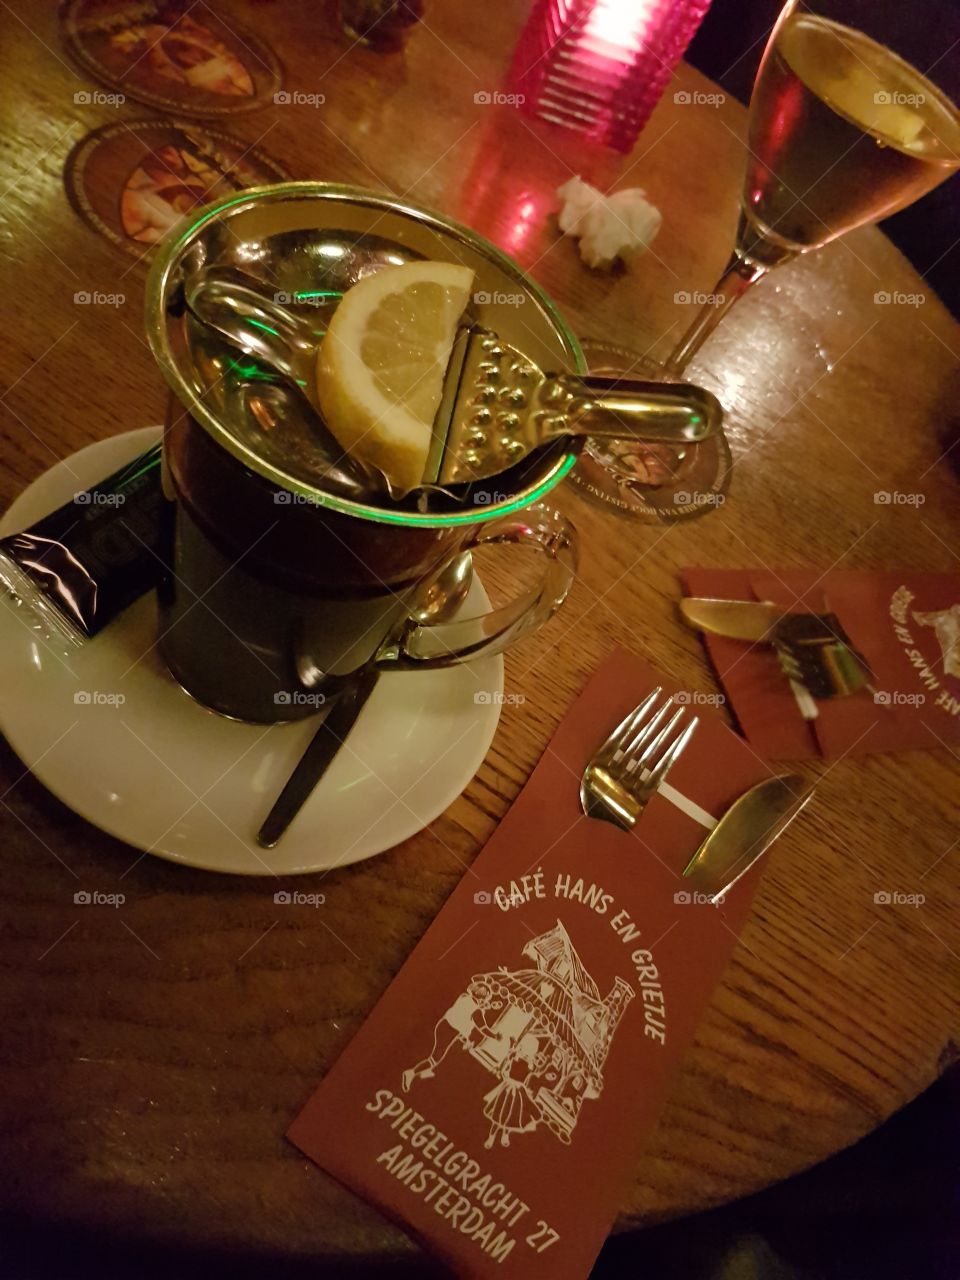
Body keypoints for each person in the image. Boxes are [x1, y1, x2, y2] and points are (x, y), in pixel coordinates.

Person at [401, 979, 498, 1093]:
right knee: (435, 1058)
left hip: (443, 1024)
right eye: (486, 998)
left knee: (437, 1054)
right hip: (450, 1031)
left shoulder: (464, 996)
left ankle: (425, 1069)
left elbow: (465, 1018)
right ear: (483, 998)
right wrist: (496, 1036)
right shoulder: (477, 1011)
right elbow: (483, 1029)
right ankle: (411, 1073)